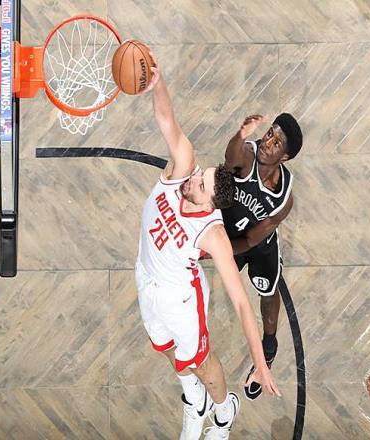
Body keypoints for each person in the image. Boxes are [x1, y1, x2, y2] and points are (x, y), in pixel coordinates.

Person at [136, 54, 281, 440]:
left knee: (200, 361)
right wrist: (158, 84)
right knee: (164, 346)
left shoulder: (212, 233)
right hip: (146, 276)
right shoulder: (183, 169)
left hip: (181, 298)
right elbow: (166, 119)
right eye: (201, 175)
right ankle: (194, 399)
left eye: (200, 185)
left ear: (209, 205)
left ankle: (222, 410)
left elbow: (241, 303)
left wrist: (260, 362)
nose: (193, 179)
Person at [220, 113, 303, 399]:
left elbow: (250, 240)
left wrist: (221, 252)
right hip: (226, 227)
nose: (268, 142)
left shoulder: (284, 200)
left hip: (257, 244)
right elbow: (231, 157)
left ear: (285, 157)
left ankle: (268, 349)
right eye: (269, 134)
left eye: (277, 142)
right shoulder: (248, 155)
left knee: (268, 292)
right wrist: (241, 134)